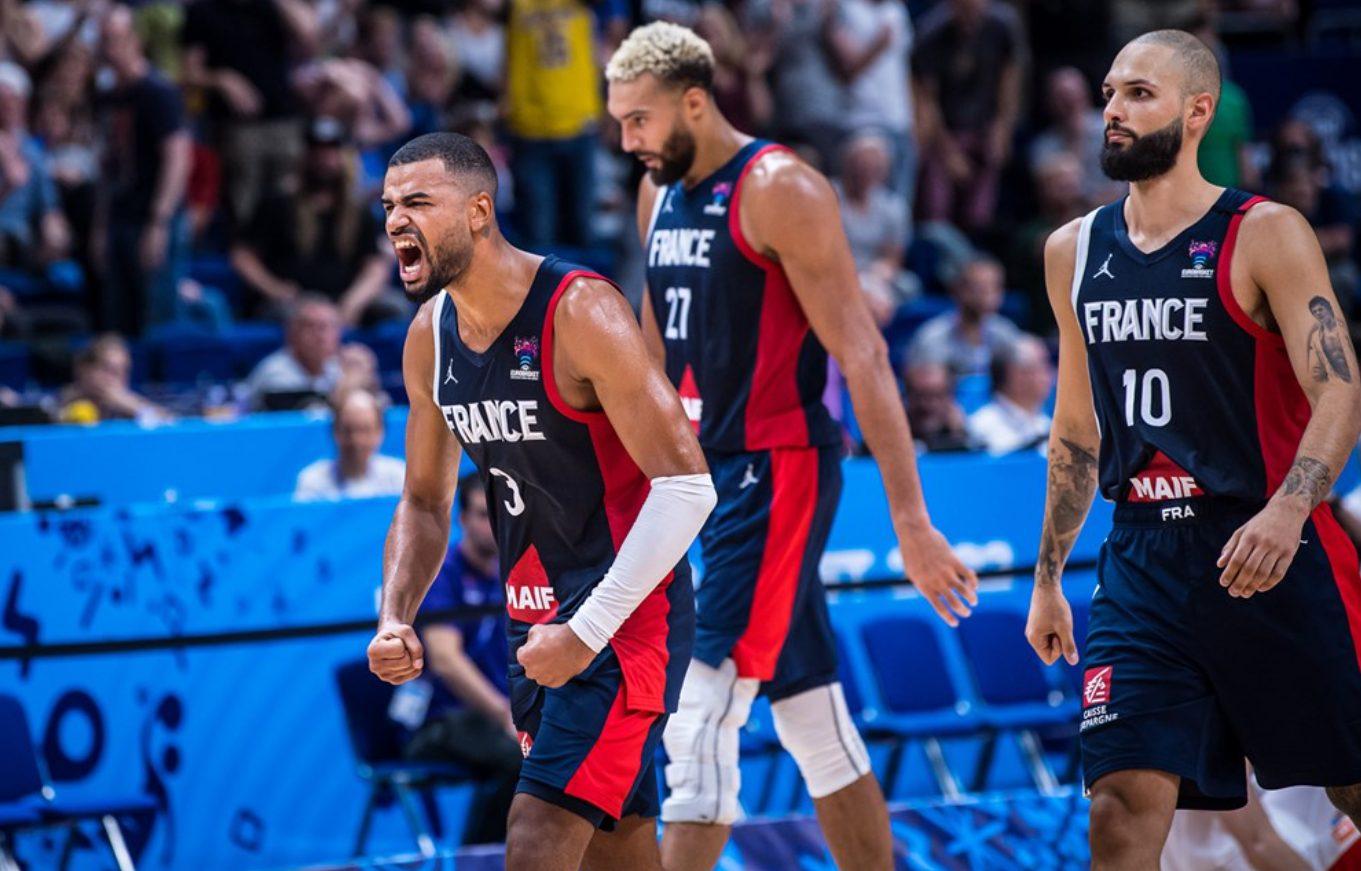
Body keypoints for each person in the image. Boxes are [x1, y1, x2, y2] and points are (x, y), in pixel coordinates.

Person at [606, 22, 977, 871]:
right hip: (699, 474)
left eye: (638, 120)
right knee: (812, 716)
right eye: (620, 123)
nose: (627, 141)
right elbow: (654, 353)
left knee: (697, 719)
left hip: (775, 470)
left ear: (693, 103)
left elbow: (864, 354)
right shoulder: (656, 193)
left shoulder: (780, 188)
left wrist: (911, 523)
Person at [1024, 30, 1361, 870]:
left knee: (1350, 784)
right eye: (1110, 92)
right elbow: (1074, 430)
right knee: (1118, 808)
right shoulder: (1071, 250)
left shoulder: (1264, 231)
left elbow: (1339, 388)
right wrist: (1046, 578)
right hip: (1141, 556)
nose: (1112, 109)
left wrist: (1288, 510)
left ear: (1198, 111)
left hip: (1264, 544)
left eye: (1139, 94)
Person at [365, 132, 715, 871]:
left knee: (533, 837)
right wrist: (395, 614)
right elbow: (423, 501)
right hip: (535, 628)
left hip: (624, 621)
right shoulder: (429, 337)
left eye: (418, 202)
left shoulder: (579, 310)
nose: (396, 220)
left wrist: (586, 632)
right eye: (390, 205)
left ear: (479, 212)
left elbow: (688, 488)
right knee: (615, 852)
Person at [403, 473, 519, 845]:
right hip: (438, 722)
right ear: (463, 519)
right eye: (484, 515)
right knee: (522, 758)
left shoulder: (515, 572)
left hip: (497, 719)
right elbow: (446, 660)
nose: (493, 525)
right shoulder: (442, 574)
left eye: (499, 514)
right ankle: (480, 861)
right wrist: (504, 714)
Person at [230, 117, 399, 326]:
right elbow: (242, 256)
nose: (324, 159)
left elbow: (375, 265)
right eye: (317, 151)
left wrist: (353, 302)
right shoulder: (278, 203)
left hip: (343, 298)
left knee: (395, 307)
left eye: (331, 152)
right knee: (300, 317)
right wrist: (274, 289)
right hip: (293, 301)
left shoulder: (358, 210)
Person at [94, 4, 192, 337]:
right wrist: (100, 225)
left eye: (116, 40)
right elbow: (108, 166)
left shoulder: (159, 92)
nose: (109, 50)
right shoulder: (108, 97)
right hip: (120, 214)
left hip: (153, 216)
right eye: (104, 41)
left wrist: (159, 221)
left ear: (136, 41)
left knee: (157, 316)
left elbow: (177, 158)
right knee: (119, 318)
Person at [907, 254, 1021, 379]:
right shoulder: (932, 338)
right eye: (979, 288)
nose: (987, 296)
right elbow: (922, 385)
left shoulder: (1006, 333)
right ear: (958, 290)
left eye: (994, 288)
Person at [294, 389, 403, 500]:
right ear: (334, 431)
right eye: (348, 430)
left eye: (365, 430)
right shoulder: (312, 481)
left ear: (380, 432)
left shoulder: (399, 477)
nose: (357, 440)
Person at [242, 294, 343, 407]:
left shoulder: (338, 367)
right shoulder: (275, 372)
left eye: (327, 327)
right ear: (292, 334)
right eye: (310, 327)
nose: (320, 336)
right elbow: (311, 410)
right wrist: (348, 384)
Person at [968, 334, 1053, 455]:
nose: (1050, 374)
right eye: (1042, 366)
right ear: (1015, 375)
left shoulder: (1045, 423)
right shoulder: (983, 426)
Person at [59, 333, 167, 423]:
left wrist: (136, 408)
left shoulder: (129, 407)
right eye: (109, 370)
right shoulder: (60, 405)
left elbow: (168, 424)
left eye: (124, 371)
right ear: (84, 370)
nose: (118, 379)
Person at [902, 360, 972, 454]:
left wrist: (960, 433)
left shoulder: (972, 434)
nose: (929, 405)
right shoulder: (893, 436)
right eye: (920, 396)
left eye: (937, 395)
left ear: (950, 396)